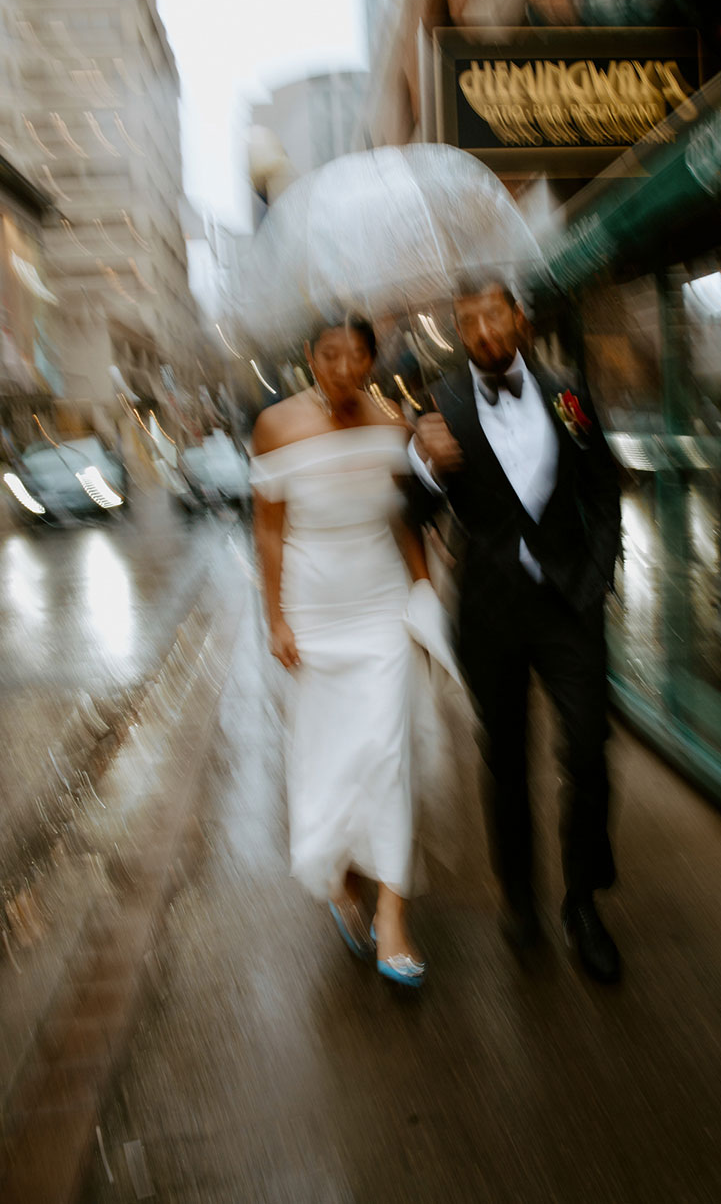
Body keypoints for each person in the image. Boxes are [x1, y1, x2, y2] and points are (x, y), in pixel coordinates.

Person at [411, 277, 623, 983]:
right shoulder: (440, 402)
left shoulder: (568, 392)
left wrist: (597, 577)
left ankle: (583, 903)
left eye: (492, 314)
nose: (482, 329)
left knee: (588, 751)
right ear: (459, 332)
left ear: (519, 320)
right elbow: (410, 508)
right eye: (466, 320)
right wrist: (424, 465)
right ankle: (520, 898)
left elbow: (603, 486)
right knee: (505, 760)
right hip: (490, 609)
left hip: (569, 604)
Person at [251, 313, 456, 988]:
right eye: (329, 354)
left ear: (372, 359)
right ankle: (339, 874)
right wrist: (276, 618)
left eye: (356, 355)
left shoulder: (394, 421)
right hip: (313, 613)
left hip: (381, 608)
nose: (342, 367)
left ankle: (393, 915)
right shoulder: (275, 426)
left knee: (386, 751)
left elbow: (404, 518)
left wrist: (423, 591)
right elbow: (271, 532)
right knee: (329, 755)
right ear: (310, 356)